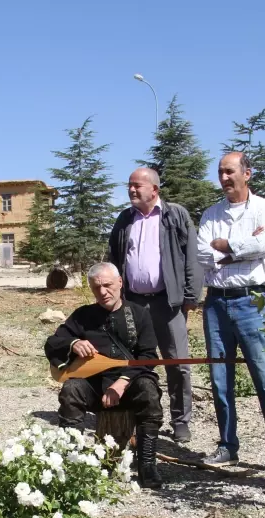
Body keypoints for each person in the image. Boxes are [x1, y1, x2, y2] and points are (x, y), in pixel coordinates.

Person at [197, 153, 265, 467]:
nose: (224, 178)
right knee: (220, 379)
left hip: (253, 301)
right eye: (220, 172)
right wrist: (240, 249)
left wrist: (226, 247)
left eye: (230, 171)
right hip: (215, 302)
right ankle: (227, 446)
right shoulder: (211, 214)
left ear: (247, 174)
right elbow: (202, 253)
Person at [45, 264, 163, 488]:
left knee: (149, 390)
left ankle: (147, 465)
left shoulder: (139, 314)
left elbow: (148, 356)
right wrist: (74, 343)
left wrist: (122, 382)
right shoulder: (83, 315)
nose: (103, 292)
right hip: (95, 386)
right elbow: (53, 342)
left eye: (107, 285)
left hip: (130, 383)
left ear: (120, 283)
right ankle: (73, 464)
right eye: (96, 287)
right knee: (71, 391)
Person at [106, 168, 200, 443]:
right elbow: (114, 256)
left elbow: (190, 255)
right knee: (134, 362)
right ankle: (138, 416)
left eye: (137, 185)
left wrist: (190, 296)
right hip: (133, 303)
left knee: (177, 363)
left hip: (167, 302)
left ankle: (181, 421)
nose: (132, 190)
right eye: (129, 185)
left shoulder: (175, 215)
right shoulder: (124, 219)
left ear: (154, 190)